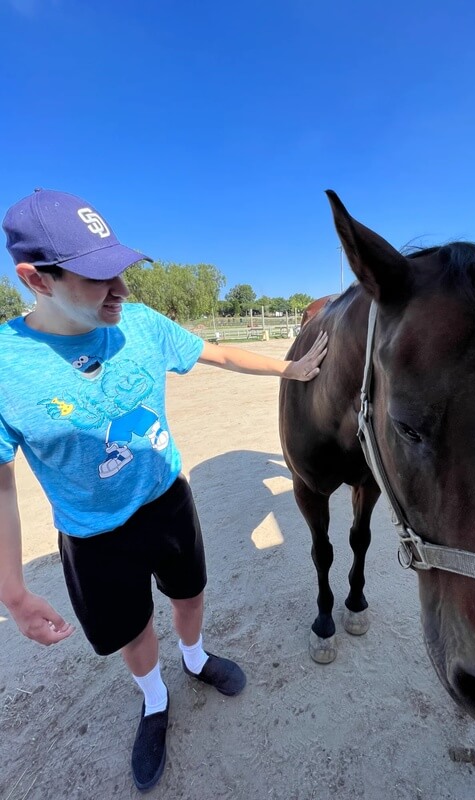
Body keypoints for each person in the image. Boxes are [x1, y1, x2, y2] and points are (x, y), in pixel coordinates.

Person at [0, 189, 327, 792]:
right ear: (35, 279)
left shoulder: (143, 325)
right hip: (94, 534)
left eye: (120, 269)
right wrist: (13, 591)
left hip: (168, 500)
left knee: (190, 595)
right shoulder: (5, 366)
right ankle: (154, 700)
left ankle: (196, 658)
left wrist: (292, 369)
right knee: (132, 629)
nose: (121, 289)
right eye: (98, 277)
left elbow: (220, 353)